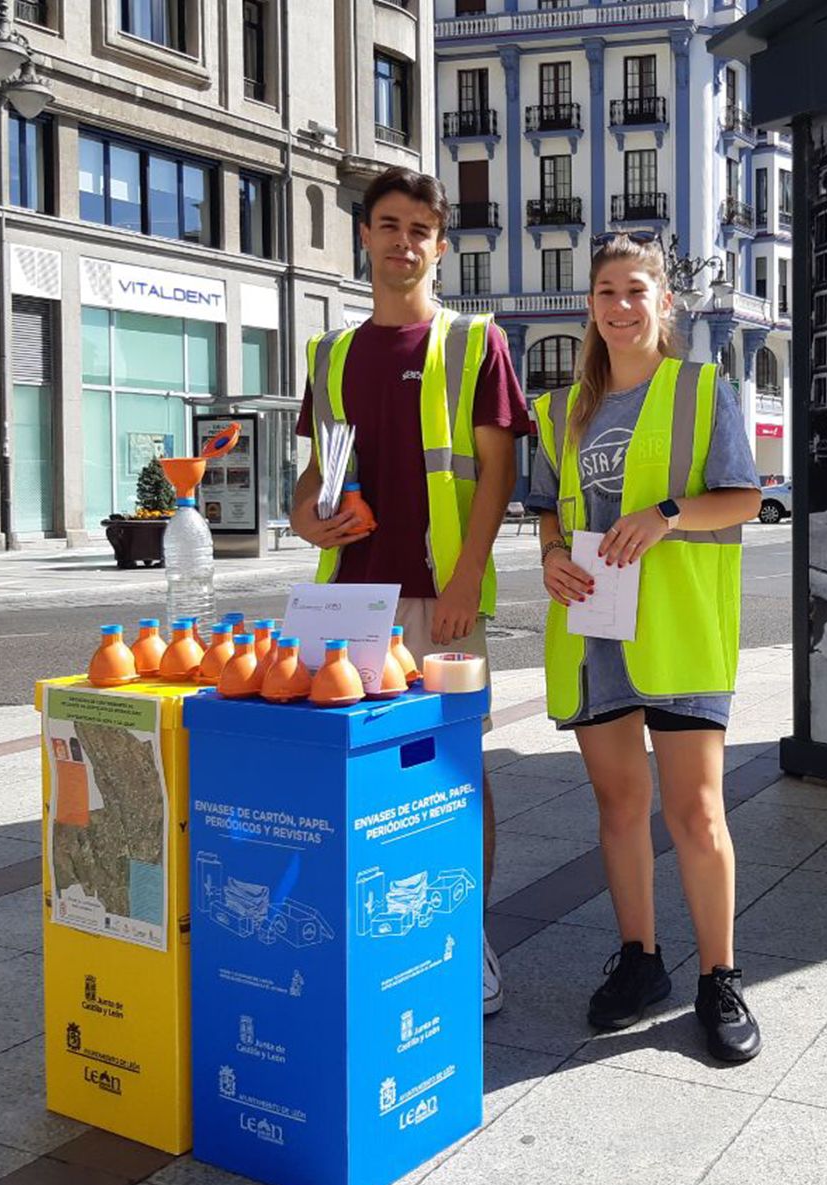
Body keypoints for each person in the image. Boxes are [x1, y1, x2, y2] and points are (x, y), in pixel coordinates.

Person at [288, 167, 528, 1018]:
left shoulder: (473, 343)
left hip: (442, 598)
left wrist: (464, 579)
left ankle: (467, 937)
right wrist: (303, 516)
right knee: (354, 769)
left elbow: (498, 471)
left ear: (441, 243)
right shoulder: (332, 353)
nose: (404, 243)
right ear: (365, 235)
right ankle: (377, 928)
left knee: (458, 766)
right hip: (347, 600)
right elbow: (318, 473)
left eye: (421, 229)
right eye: (389, 225)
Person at [528, 233, 763, 1063]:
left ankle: (720, 977)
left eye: (636, 291)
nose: (620, 308)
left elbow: (742, 498)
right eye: (605, 293)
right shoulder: (560, 411)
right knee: (620, 807)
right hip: (595, 631)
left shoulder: (703, 390)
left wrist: (664, 514)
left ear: (664, 303)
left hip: (679, 630)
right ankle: (640, 961)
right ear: (589, 308)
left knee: (697, 811)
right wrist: (554, 553)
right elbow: (546, 507)